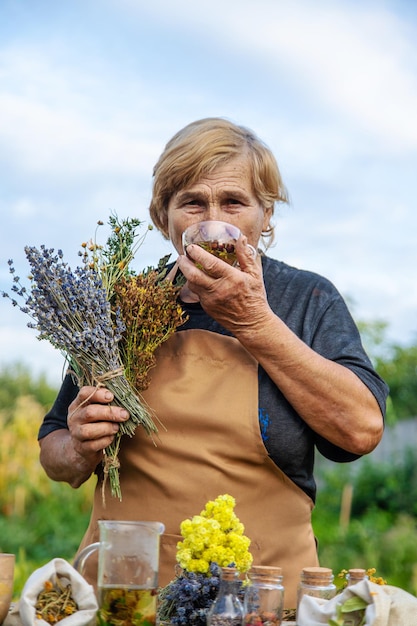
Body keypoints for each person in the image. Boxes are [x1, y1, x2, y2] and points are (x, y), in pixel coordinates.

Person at [38, 117, 388, 608]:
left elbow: (360, 431)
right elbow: (53, 451)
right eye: (192, 202)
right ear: (164, 218)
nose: (212, 220)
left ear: (265, 216)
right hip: (127, 594)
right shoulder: (119, 307)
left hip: (262, 600)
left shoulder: (306, 299)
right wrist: (76, 446)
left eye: (234, 202)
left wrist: (255, 323)